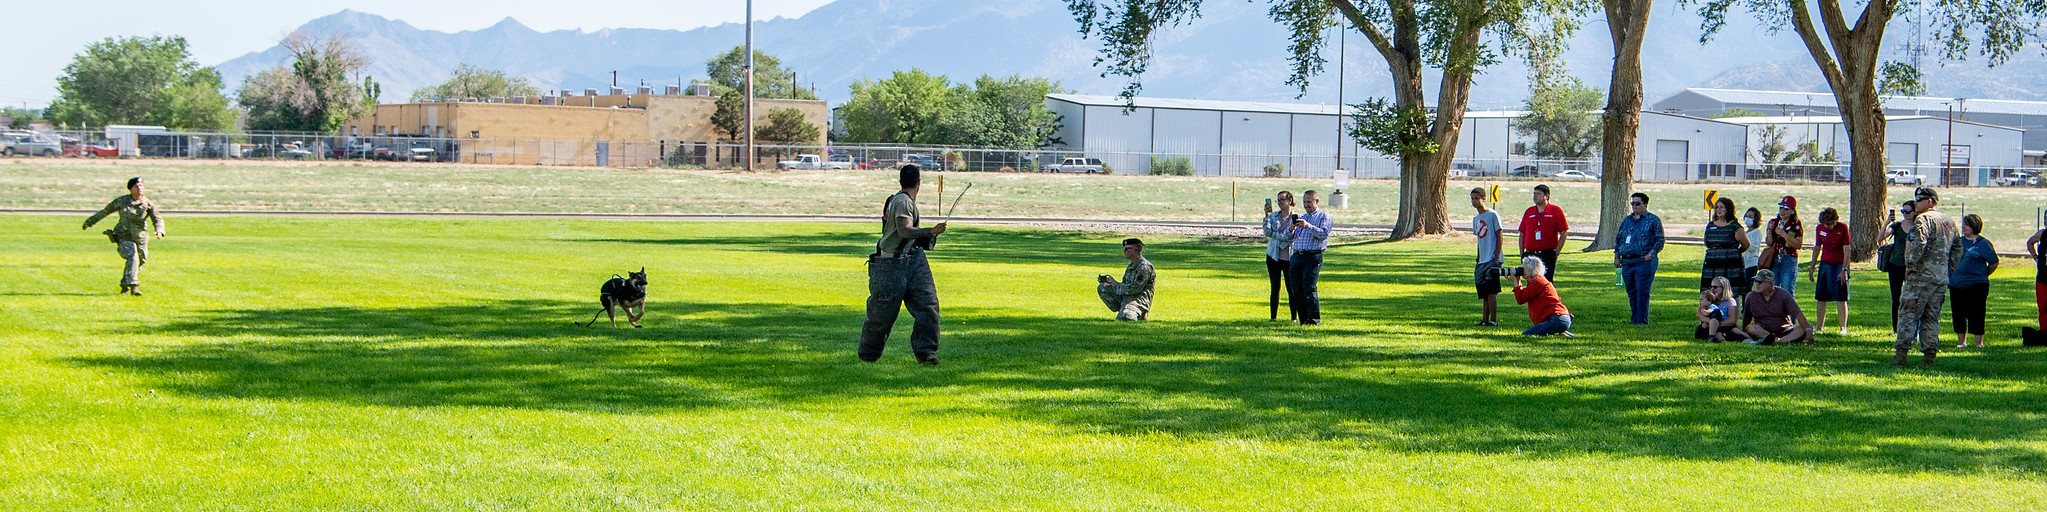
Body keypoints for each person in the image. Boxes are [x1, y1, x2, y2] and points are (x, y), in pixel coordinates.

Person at [858, 165, 947, 366]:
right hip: (891, 264)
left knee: (928, 306)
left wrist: (926, 238)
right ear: (919, 182)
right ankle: (867, 357)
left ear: (901, 181)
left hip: (913, 259)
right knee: (882, 314)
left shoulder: (897, 200)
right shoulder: (903, 202)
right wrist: (930, 230)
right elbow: (904, 231)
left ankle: (926, 354)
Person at [1895, 187, 1963, 366]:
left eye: (1920, 199)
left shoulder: (1923, 219)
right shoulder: (1949, 221)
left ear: (1931, 201)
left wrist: (1911, 265)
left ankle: (1901, 354)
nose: (1916, 203)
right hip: (1940, 277)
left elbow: (1919, 243)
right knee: (1931, 316)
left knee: (1908, 313)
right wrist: (1949, 269)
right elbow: (1958, 247)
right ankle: (1929, 355)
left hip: (1921, 276)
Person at [82, 176, 165, 296]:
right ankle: (134, 287)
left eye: (141, 186)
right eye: (136, 186)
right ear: (130, 189)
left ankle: (125, 285)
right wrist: (89, 222)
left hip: (140, 237)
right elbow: (105, 211)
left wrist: (159, 230)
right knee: (133, 255)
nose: (139, 188)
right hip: (123, 236)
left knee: (141, 260)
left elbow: (157, 219)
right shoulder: (122, 201)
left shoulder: (148, 204)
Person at [1613, 192, 1664, 325]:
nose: (1634, 206)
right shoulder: (1627, 220)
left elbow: (1659, 240)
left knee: (1642, 291)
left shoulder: (1653, 220)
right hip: (1627, 261)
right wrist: (1617, 256)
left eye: (1637, 204)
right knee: (1632, 291)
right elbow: (1619, 240)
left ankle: (1641, 320)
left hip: (1644, 261)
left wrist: (1650, 255)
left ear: (1645, 205)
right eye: (1632, 204)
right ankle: (1634, 317)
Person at [1948, 214, 1998, 348]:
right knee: (1958, 313)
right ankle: (1961, 342)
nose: (1964, 227)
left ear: (1975, 226)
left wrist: (1983, 274)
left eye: (1968, 225)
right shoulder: (1958, 241)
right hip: (1956, 283)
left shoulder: (1983, 244)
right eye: (1963, 224)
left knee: (1977, 313)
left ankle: (1978, 343)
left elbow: (1993, 262)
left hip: (1977, 284)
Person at [1288, 189, 1332, 325]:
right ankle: (1303, 320)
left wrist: (1308, 226)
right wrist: (1291, 229)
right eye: (1304, 202)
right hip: (1297, 256)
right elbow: (1290, 237)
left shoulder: (1323, 216)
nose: (1306, 205)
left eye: (1309, 202)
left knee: (1309, 288)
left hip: (1312, 256)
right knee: (1297, 289)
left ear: (1316, 201)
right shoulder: (1302, 217)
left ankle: (1313, 320)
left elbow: (1323, 234)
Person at [1742, 269, 1815, 345]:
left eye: (1760, 282)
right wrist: (1744, 333)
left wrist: (1808, 330)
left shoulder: (1783, 294)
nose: (1757, 284)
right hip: (1762, 330)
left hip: (1784, 330)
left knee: (1807, 326)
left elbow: (1797, 314)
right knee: (1750, 328)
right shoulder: (1751, 296)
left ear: (1770, 283)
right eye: (1755, 281)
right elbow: (1747, 317)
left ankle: (1778, 342)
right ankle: (1772, 339)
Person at [1809, 207, 1852, 334]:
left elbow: (1847, 249)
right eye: (1826, 224)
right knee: (1821, 297)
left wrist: (1844, 269)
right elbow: (1817, 247)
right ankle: (1819, 326)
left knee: (1840, 297)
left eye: (1831, 224)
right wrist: (1812, 266)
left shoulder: (1843, 228)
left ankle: (1843, 327)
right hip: (1825, 264)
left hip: (1840, 264)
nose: (1829, 226)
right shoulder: (1820, 229)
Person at [1511, 256, 1574, 337]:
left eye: (1523, 268)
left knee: (1526, 335)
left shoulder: (1537, 281)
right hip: (1560, 318)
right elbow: (1525, 294)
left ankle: (1559, 330)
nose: (1521, 270)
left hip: (1556, 319)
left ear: (1531, 270)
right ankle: (1560, 331)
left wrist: (1516, 282)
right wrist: (1517, 282)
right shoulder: (1538, 280)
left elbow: (1521, 299)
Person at [1098, 238, 1156, 321]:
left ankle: (1140, 312)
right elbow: (1126, 284)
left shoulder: (1144, 267)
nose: (1124, 251)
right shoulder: (1131, 265)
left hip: (1138, 299)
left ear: (1135, 250)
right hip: (1127, 297)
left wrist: (1116, 284)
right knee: (1103, 287)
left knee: (1125, 318)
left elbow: (1134, 289)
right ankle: (1124, 308)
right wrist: (1112, 283)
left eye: (1126, 249)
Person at [1702, 197, 1751, 297]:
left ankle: (1732, 310)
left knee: (1731, 291)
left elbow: (1746, 244)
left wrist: (1734, 253)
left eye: (1722, 207)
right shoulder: (1710, 226)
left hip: (1730, 263)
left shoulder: (1734, 226)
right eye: (1717, 207)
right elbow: (1707, 242)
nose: (1719, 210)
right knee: (1711, 290)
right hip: (1712, 262)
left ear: (1728, 209)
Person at [1519, 184, 1569, 282]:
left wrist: (1557, 252)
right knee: (1531, 282)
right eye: (1534, 193)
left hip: (1547, 254)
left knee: (1545, 282)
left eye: (1538, 193)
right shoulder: (1529, 211)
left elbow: (1564, 233)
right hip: (1530, 253)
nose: (1535, 196)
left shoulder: (1555, 211)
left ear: (1546, 196)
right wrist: (1522, 253)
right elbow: (1522, 233)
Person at [1878, 200, 1914, 330]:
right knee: (1896, 298)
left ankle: (1910, 327)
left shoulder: (1918, 227)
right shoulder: (1897, 226)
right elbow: (1880, 237)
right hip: (1895, 264)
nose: (1905, 214)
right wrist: (1887, 222)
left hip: (1911, 266)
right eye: (1903, 211)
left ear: (1914, 212)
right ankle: (1896, 328)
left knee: (1911, 297)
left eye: (1908, 211)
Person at [1472, 187, 1503, 327]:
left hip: (1492, 259)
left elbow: (1499, 236)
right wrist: (1478, 258)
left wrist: (1496, 257)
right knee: (1483, 292)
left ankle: (1493, 320)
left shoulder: (1492, 215)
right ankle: (1484, 320)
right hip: (1482, 259)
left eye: (1477, 198)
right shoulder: (1476, 219)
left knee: (1491, 292)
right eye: (1472, 199)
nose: (1474, 201)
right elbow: (1479, 240)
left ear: (1484, 199)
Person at [1263, 191, 1296, 322]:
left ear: (1290, 200)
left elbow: (1292, 236)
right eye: (1278, 200)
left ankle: (1294, 317)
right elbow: (1267, 232)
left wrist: (1277, 235)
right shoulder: (1274, 216)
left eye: (1282, 199)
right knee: (1275, 287)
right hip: (1273, 256)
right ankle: (1273, 317)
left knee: (1291, 288)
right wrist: (1266, 215)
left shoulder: (1296, 217)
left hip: (1289, 257)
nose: (1280, 203)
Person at [1765, 196, 1804, 294]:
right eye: (1781, 208)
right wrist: (1769, 231)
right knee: (1773, 288)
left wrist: (1784, 234)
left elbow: (1798, 244)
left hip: (1788, 258)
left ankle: (1788, 308)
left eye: (1786, 209)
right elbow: (1769, 243)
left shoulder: (1796, 225)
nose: (1782, 211)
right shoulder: (1774, 222)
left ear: (1792, 211)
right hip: (1774, 257)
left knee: (1787, 289)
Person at [1695, 277, 1745, 343]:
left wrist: (1715, 324)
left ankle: (1750, 340)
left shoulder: (1730, 301)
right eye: (1711, 286)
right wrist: (1711, 323)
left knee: (1735, 331)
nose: (1712, 289)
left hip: (1725, 326)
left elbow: (1732, 320)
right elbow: (1699, 314)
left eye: (1715, 287)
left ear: (1724, 289)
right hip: (1707, 327)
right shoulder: (1708, 299)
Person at [1740, 207, 1766, 298]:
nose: (1748, 218)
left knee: (1747, 287)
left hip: (1751, 264)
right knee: (1742, 288)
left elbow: (1753, 247)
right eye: (1746, 216)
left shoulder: (1756, 232)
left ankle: (1747, 307)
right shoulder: (1745, 232)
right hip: (1743, 263)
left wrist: (1744, 242)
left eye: (1750, 216)